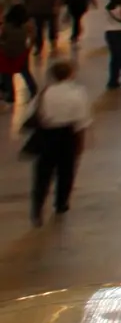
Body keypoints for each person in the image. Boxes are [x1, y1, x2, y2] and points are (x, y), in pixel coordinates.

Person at [25, 59, 90, 225]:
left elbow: (31, 113)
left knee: (43, 174)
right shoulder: (78, 93)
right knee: (66, 171)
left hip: (47, 135)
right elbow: (82, 120)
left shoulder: (45, 93)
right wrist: (80, 143)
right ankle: (61, 203)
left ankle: (37, 208)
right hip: (68, 135)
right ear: (70, 74)